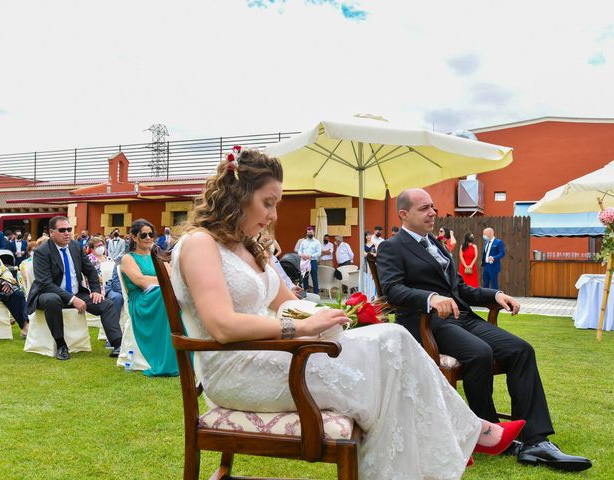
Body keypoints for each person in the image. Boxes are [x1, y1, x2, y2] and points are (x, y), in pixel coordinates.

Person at [170, 149, 526, 479]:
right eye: (268, 203)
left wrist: (339, 315)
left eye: (276, 204)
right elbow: (222, 325)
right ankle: (466, 431)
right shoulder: (200, 244)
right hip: (238, 371)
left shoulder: (248, 248)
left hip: (274, 354)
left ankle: (465, 430)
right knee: (385, 371)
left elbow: (286, 303)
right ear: (237, 197)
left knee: (392, 337)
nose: (274, 215)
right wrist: (303, 327)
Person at [376, 188, 592, 472]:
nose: (432, 212)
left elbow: (460, 289)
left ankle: (535, 441)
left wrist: (494, 295)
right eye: (424, 208)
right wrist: (430, 299)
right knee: (480, 352)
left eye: (433, 207)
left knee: (521, 350)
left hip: (463, 317)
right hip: (426, 323)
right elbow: (392, 290)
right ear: (404, 214)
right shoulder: (392, 247)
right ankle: (490, 434)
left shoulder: (437, 245)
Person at [26, 216, 122, 361]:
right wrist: (72, 299)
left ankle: (118, 344)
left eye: (69, 229)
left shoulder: (75, 246)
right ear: (51, 233)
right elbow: (46, 283)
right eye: (62, 230)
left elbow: (90, 271)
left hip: (76, 293)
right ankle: (61, 345)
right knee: (53, 299)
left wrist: (95, 290)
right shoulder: (42, 252)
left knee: (107, 304)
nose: (67, 233)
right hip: (47, 294)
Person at [120, 219, 178, 377]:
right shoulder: (128, 258)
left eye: (151, 234)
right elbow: (140, 281)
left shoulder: (158, 255)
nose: (148, 237)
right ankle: (161, 356)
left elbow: (172, 276)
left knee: (177, 296)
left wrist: (155, 280)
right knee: (165, 295)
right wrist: (162, 281)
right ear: (133, 237)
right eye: (143, 234)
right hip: (141, 301)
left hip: (159, 295)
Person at [297, 226, 321, 295]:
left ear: (313, 233)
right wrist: (301, 255)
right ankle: (305, 293)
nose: (309, 234)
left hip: (312, 261)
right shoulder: (303, 242)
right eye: (308, 232)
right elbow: (299, 251)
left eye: (310, 232)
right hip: (304, 261)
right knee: (304, 277)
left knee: (314, 277)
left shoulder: (317, 242)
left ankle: (316, 294)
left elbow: (319, 253)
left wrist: (311, 256)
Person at [363, 230, 377, 300]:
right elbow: (364, 254)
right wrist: (371, 253)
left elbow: (376, 254)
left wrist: (370, 254)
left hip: (373, 264)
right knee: (366, 279)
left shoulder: (375, 244)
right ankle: (366, 295)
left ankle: (373, 295)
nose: (368, 236)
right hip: (365, 264)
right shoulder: (363, 245)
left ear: (371, 236)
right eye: (367, 235)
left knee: (373, 279)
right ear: (365, 237)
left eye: (369, 235)